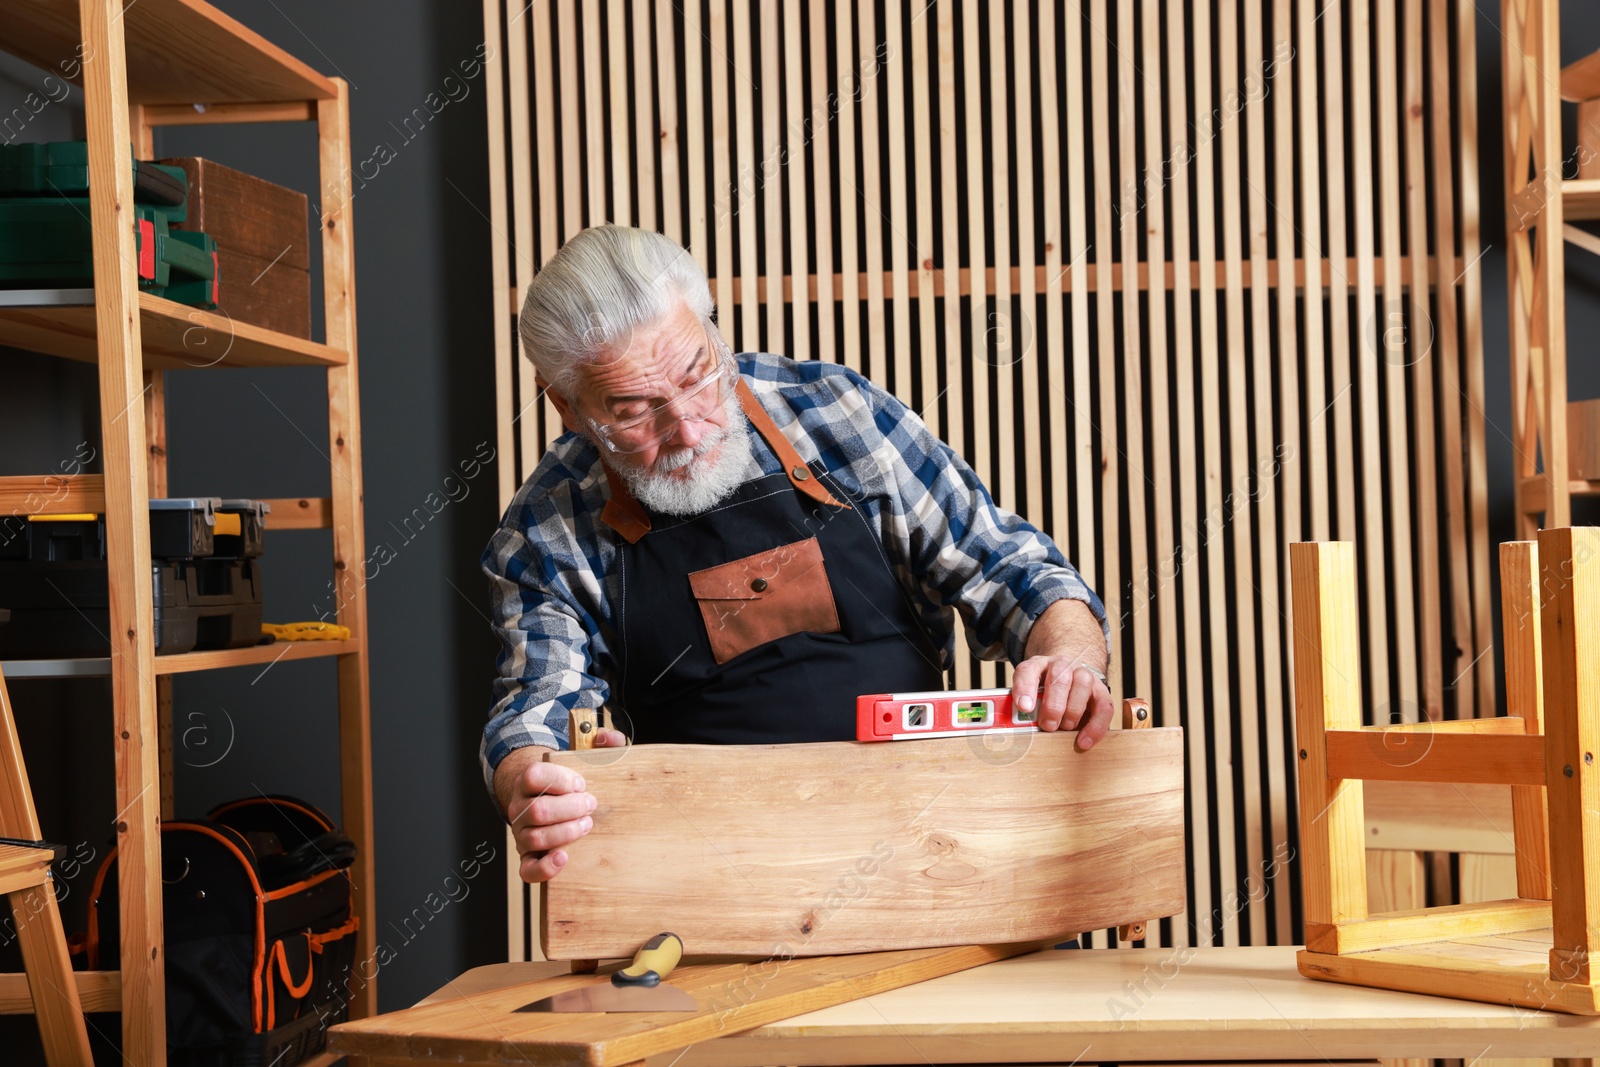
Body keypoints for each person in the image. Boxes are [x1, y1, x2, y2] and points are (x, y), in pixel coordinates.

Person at [483, 225, 1112, 884]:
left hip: (937, 855)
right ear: (566, 405)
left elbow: (1014, 568)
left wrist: (1068, 657)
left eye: (700, 375)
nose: (690, 429)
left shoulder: (838, 414)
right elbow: (534, 713)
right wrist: (538, 785)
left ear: (712, 326)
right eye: (636, 411)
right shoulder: (548, 529)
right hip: (717, 890)